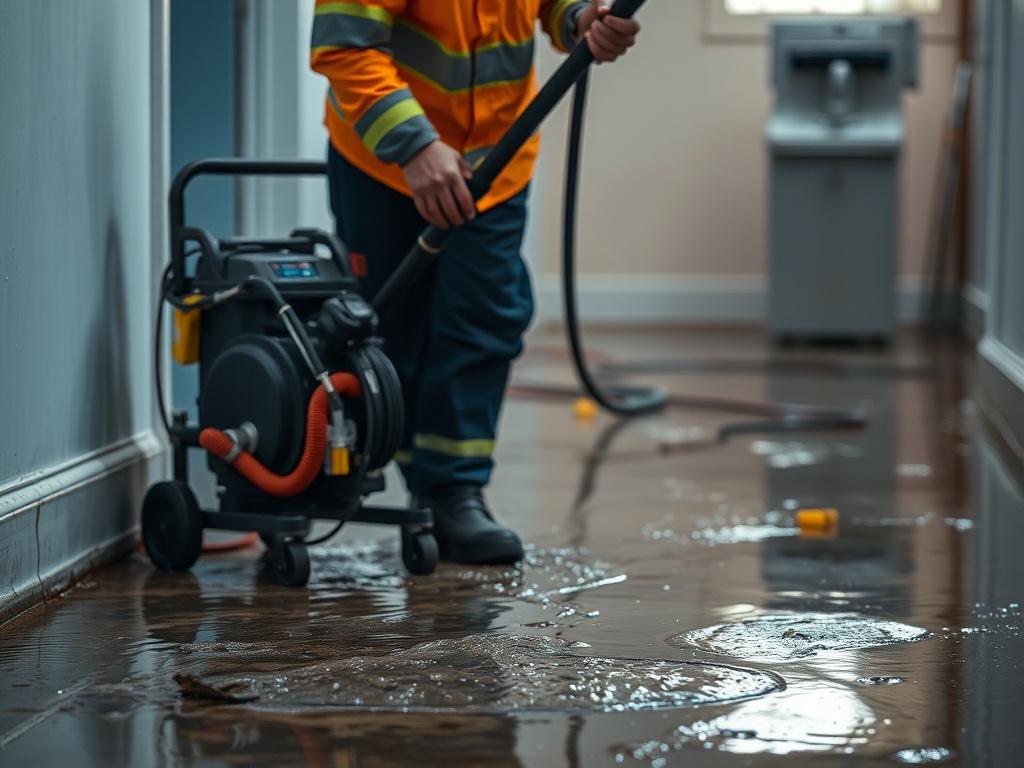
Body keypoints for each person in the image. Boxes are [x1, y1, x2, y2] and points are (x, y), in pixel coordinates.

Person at [311, 0, 640, 565]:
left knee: (484, 316)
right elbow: (344, 45)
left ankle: (453, 491)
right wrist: (414, 146)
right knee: (391, 327)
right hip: (386, 164)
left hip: (495, 159)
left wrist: (578, 19)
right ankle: (410, 474)